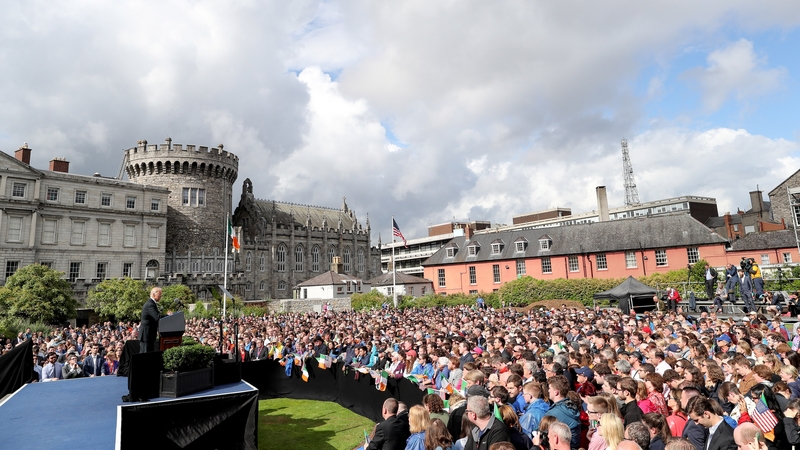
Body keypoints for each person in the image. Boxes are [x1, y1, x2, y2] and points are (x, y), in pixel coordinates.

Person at [544, 376, 581, 449]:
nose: (548, 391)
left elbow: (543, 431)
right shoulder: (572, 407)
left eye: (549, 388)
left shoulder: (553, 413)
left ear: (556, 392)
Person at [139, 287, 162, 353]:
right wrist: (168, 316)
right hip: (147, 335)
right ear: (154, 294)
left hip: (149, 335)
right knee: (145, 355)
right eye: (159, 294)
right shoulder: (150, 304)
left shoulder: (152, 303)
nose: (160, 296)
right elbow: (157, 317)